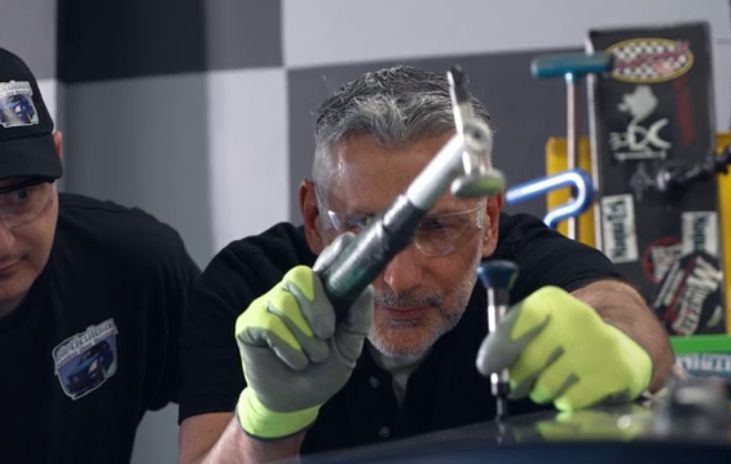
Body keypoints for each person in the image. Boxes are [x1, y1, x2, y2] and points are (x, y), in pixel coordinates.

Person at [178, 65, 673, 462]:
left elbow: (616, 306)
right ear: (313, 217)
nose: (398, 278)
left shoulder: (522, 262)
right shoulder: (245, 284)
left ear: (490, 219)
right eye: (363, 231)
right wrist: (267, 419)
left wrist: (624, 351)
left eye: (437, 228)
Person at [0, 48, 201, 462]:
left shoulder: (131, 266)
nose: (3, 244)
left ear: (56, 157)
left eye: (21, 196)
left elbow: (240, 398)